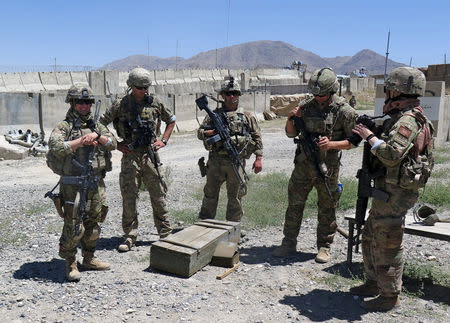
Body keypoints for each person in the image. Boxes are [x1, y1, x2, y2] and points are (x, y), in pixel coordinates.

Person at [350, 67, 434, 311]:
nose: (387, 93)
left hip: (397, 191)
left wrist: (369, 136)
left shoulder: (408, 120)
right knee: (370, 234)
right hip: (389, 188)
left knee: (387, 241)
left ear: (398, 91)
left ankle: (390, 296)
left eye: (390, 89)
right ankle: (373, 281)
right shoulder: (402, 116)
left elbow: (391, 154)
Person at [272, 67, 358, 263]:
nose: (318, 98)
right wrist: (291, 118)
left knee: (327, 207)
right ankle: (288, 243)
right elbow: (290, 134)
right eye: (315, 94)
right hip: (303, 166)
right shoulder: (306, 106)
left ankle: (324, 246)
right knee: (294, 205)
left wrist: (332, 144)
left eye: (323, 95)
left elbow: (354, 141)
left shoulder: (344, 112)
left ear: (333, 91)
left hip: (328, 169)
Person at [100, 67, 176, 252]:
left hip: (150, 155)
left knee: (158, 195)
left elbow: (171, 119)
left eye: (146, 87)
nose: (143, 90)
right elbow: (100, 124)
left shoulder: (155, 103)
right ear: (131, 86)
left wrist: (163, 140)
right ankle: (130, 236)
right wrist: (116, 144)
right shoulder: (120, 105)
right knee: (129, 197)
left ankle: (165, 233)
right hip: (130, 156)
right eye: (139, 87)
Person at [48, 84, 117, 281]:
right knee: (73, 224)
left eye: (87, 102)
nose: (84, 106)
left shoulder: (97, 126)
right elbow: (55, 146)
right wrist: (81, 142)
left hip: (95, 182)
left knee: (94, 223)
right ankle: (70, 262)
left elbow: (112, 142)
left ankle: (89, 258)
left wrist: (97, 136)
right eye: (80, 102)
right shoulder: (65, 126)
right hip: (72, 184)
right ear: (72, 103)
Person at [197, 77, 263, 222]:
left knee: (236, 197)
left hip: (236, 162)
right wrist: (209, 133)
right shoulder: (213, 115)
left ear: (239, 95)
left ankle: (233, 229)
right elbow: (199, 133)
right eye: (227, 93)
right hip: (215, 162)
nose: (231, 96)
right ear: (222, 95)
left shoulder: (247, 116)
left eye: (234, 93)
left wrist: (258, 158)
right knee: (210, 195)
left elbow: (257, 137)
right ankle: (204, 225)